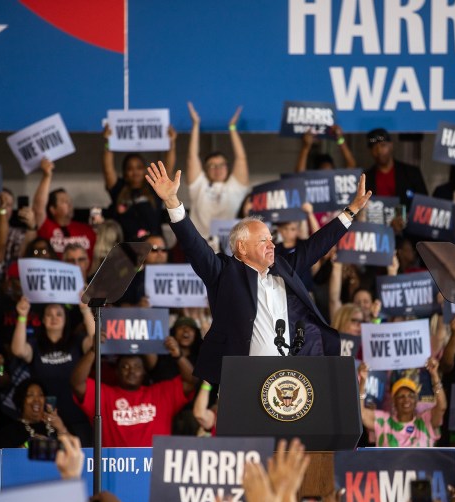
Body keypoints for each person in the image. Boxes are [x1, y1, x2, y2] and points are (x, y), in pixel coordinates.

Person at [145, 161, 372, 384]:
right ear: (241, 247)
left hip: (288, 376)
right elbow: (194, 245)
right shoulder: (223, 273)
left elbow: (316, 245)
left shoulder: (283, 269)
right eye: (263, 240)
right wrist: (172, 201)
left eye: (271, 240)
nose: (272, 245)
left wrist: (350, 211)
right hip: (243, 378)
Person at [70, 341, 196, 447]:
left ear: (144, 373)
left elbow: (191, 381)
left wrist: (179, 356)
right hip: (115, 470)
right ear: (117, 373)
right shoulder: (104, 395)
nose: (131, 371)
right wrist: (93, 350)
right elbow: (77, 383)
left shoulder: (161, 393)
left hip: (155, 469)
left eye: (137, 367)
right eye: (125, 367)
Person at [11, 295, 95, 444]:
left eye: (58, 314)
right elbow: (18, 350)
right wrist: (22, 316)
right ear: (42, 320)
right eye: (49, 315)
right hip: (44, 420)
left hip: (77, 417)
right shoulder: (36, 344)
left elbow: (96, 341)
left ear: (65, 318)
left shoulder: (77, 341)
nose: (54, 317)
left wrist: (85, 310)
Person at [102, 123, 176, 241]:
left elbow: (168, 169)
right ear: (124, 172)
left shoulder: (154, 188)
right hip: (127, 250)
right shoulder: (119, 189)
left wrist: (171, 144)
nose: (135, 172)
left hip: (154, 249)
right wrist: (107, 143)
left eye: (139, 167)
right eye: (130, 169)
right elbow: (108, 170)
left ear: (145, 170)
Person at [185, 102, 251, 237]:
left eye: (222, 165)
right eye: (212, 166)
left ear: (227, 167)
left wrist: (232, 128)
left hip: (230, 249)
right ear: (206, 170)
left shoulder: (235, 187)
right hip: (201, 247)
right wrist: (196, 125)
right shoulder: (199, 186)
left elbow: (241, 158)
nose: (218, 169)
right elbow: (192, 157)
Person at [358, 357, 445, 447]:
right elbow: (362, 414)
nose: (406, 399)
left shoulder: (425, 421)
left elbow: (441, 407)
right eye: (401, 396)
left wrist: (435, 375)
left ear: (416, 401)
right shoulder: (384, 422)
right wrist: (363, 381)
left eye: (411, 396)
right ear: (394, 401)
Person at [33, 158, 96, 262]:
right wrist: (47, 176)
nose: (70, 204)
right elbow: (38, 207)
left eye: (70, 201)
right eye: (64, 202)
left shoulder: (86, 229)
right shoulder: (47, 228)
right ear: (53, 209)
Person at [363, 128, 427, 212]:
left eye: (383, 145)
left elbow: (424, 204)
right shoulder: (365, 178)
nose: (379, 151)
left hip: (406, 223)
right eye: (374, 147)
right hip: (376, 223)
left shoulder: (411, 173)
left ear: (391, 145)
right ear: (370, 151)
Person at [0, 378, 69, 447]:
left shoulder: (56, 423)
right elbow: (5, 459)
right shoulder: (10, 432)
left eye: (41, 395)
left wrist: (61, 428)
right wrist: (28, 444)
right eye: (30, 395)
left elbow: (75, 451)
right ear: (21, 400)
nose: (36, 400)